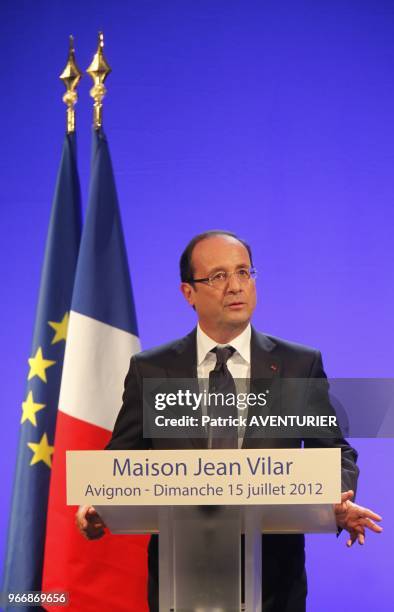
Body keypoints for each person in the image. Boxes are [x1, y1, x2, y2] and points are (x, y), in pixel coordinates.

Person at [76, 230, 383, 611]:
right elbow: (119, 462)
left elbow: (336, 453)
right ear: (188, 293)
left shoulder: (297, 366)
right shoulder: (153, 370)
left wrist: (333, 498)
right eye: (218, 276)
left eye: (244, 273)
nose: (235, 286)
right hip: (180, 583)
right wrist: (97, 503)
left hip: (273, 588)